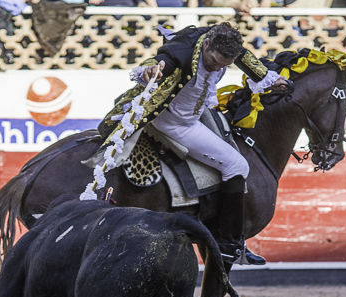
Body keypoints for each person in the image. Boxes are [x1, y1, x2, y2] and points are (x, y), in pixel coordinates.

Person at [98, 23, 289, 265]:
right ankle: (230, 243)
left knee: (229, 132)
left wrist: (269, 79)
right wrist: (150, 70)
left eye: (223, 66)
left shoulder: (223, 43)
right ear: (206, 44)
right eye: (213, 62)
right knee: (237, 166)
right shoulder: (182, 52)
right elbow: (161, 60)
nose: (217, 68)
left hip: (197, 112)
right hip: (176, 122)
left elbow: (245, 58)